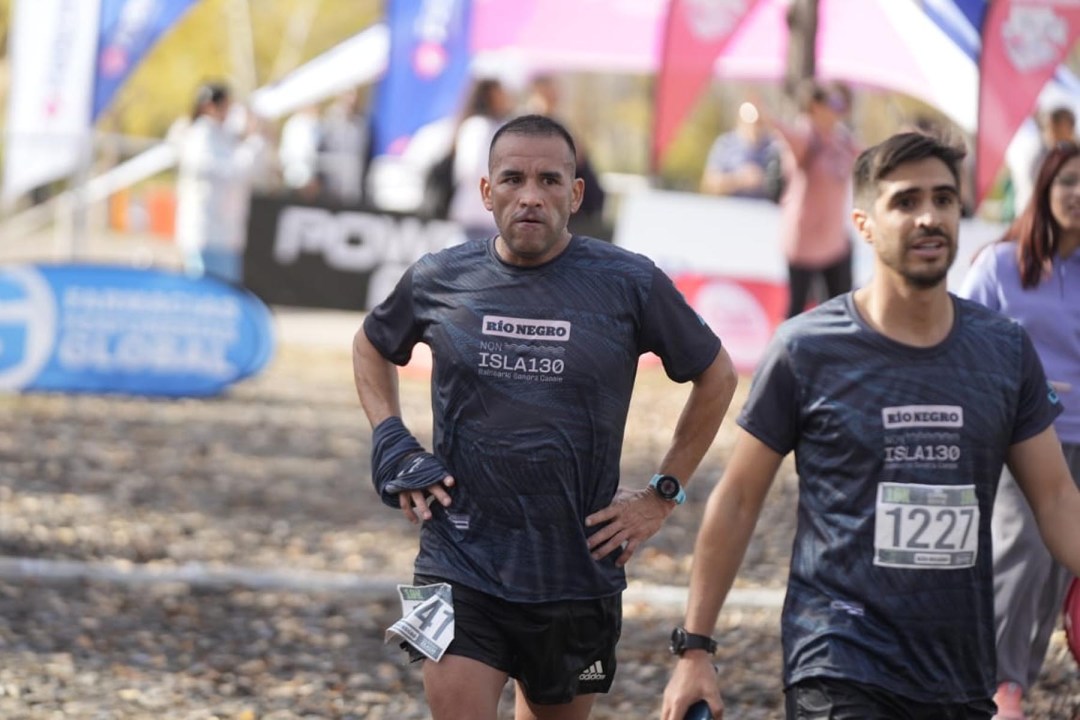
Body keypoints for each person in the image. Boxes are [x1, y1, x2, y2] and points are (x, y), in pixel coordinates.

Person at [660, 132, 1080, 720]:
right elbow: (737, 500)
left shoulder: (1004, 351)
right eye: (906, 201)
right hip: (838, 660)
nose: (929, 216)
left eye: (943, 199)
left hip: (958, 672)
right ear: (863, 223)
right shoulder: (808, 349)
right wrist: (694, 649)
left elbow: (1057, 499)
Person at [353, 114, 737, 720]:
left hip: (578, 574)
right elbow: (371, 345)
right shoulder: (440, 277)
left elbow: (717, 376)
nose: (530, 195)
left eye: (549, 180)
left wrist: (662, 494)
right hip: (457, 560)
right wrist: (391, 437)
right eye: (512, 179)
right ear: (486, 191)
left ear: (575, 193)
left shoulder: (628, 282)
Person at [958, 141, 1080, 720]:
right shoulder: (1000, 265)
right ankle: (1000, 686)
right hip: (1020, 436)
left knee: (1059, 567)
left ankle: (1016, 679)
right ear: (1044, 190)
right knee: (1022, 551)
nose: (1078, 194)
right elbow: (959, 340)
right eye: (1068, 181)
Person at [763, 80, 861, 318]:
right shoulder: (805, 137)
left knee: (841, 309)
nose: (839, 109)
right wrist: (763, 113)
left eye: (841, 103)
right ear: (815, 107)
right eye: (833, 103)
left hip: (834, 241)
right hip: (803, 242)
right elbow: (786, 133)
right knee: (797, 308)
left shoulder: (843, 141)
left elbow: (871, 156)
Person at [174, 82, 264, 284]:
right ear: (210, 106)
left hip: (224, 235)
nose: (229, 113)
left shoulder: (221, 136)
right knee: (206, 293)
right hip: (207, 233)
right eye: (226, 106)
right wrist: (253, 141)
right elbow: (233, 172)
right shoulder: (201, 136)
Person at [524, 73, 608, 238]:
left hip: (576, 203)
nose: (556, 96)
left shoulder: (559, 122)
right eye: (550, 91)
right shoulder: (528, 126)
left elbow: (579, 156)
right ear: (538, 92)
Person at [445, 77, 515, 240]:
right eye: (500, 93)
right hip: (475, 214)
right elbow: (470, 169)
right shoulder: (478, 127)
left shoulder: (499, 126)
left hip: (491, 216)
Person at [700, 101, 781, 201]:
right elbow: (709, 184)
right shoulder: (725, 144)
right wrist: (738, 180)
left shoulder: (773, 147)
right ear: (740, 121)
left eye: (758, 122)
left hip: (764, 207)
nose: (754, 126)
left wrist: (764, 180)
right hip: (731, 207)